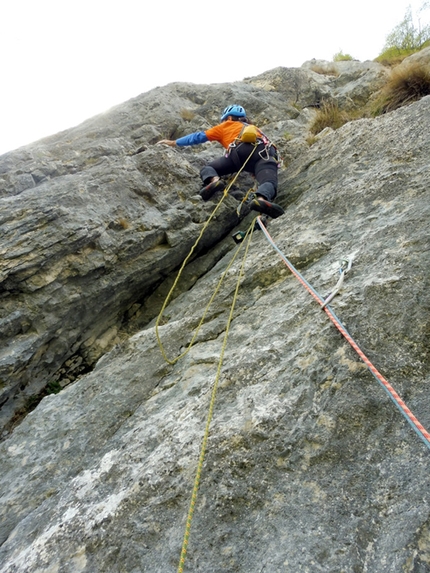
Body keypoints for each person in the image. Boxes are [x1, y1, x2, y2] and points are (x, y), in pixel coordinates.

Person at [157, 104, 284, 219]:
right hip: (265, 154)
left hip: (239, 153)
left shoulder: (225, 126)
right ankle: (261, 198)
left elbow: (198, 137)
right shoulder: (255, 129)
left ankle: (214, 181)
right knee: (268, 181)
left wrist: (174, 142)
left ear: (228, 118)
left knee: (208, 169)